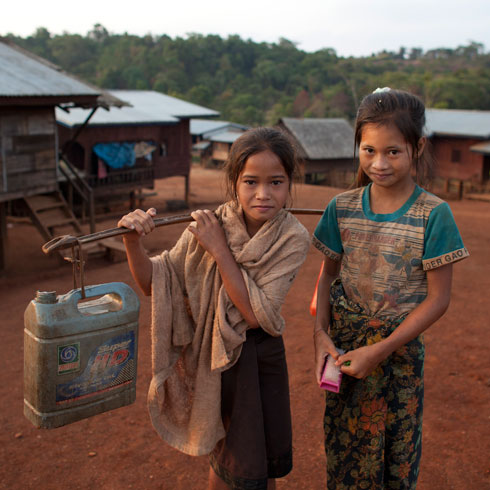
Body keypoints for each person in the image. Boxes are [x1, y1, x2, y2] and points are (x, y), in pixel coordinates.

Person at [118, 127, 310, 490]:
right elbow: (153, 282)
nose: (263, 194)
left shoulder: (292, 238)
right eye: (251, 182)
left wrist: (219, 249)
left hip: (258, 357)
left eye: (276, 182)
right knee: (227, 461)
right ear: (235, 182)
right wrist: (131, 241)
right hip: (215, 360)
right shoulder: (211, 223)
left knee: (259, 464)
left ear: (289, 183)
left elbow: (257, 314)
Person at [312, 88, 469, 489]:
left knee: (395, 455)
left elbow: (439, 299)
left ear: (417, 147)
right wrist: (320, 337)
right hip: (346, 351)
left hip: (397, 358)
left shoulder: (433, 215)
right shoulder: (341, 207)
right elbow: (328, 276)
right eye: (368, 151)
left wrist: (379, 350)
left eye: (392, 152)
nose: (378, 163)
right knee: (344, 449)